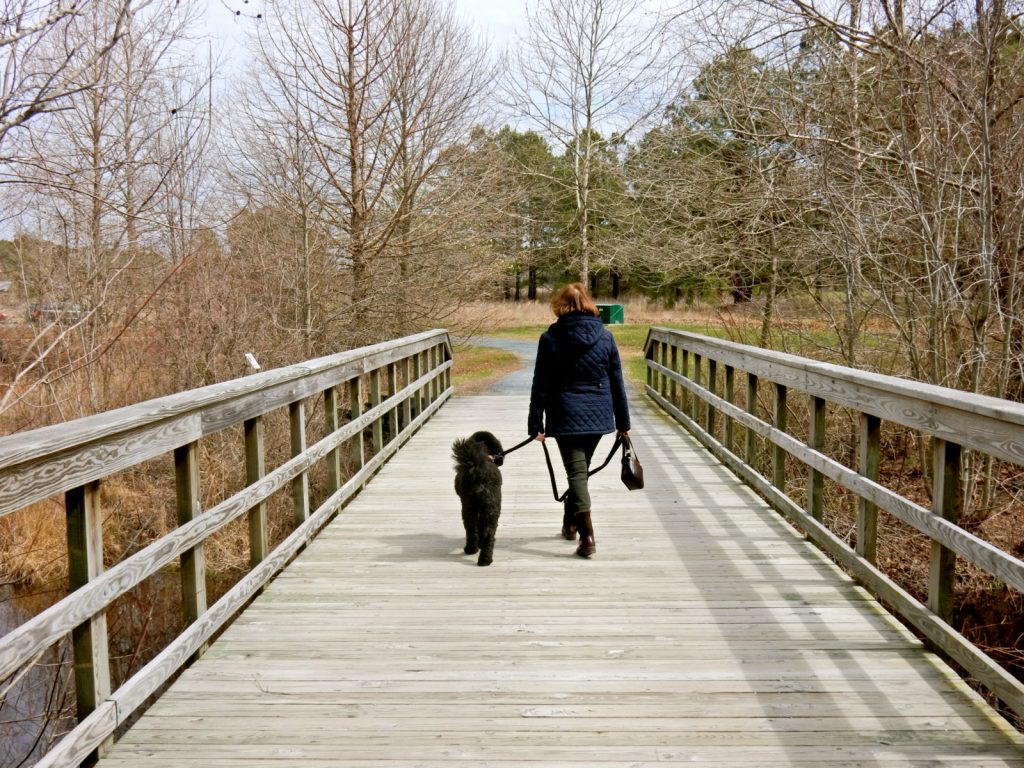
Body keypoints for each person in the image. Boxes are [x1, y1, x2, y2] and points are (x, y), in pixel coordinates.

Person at [528, 283, 630, 558]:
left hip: (565, 412)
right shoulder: (606, 337)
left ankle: (587, 538)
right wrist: (623, 423)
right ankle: (570, 521)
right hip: (598, 414)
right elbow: (617, 382)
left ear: (560, 306)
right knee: (580, 470)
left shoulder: (550, 338)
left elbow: (541, 383)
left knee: (576, 472)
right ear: (588, 304)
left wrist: (535, 422)